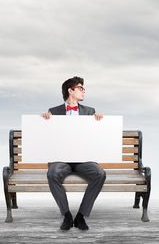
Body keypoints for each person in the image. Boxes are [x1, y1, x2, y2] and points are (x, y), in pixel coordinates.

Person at [41, 76, 106, 231]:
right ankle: (67, 215)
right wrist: (45, 120)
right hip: (62, 160)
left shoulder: (90, 111)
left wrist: (99, 120)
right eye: (80, 88)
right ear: (71, 90)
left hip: (83, 160)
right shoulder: (54, 111)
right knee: (52, 173)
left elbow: (97, 136)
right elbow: (46, 137)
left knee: (100, 173)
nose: (84, 91)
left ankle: (81, 216)